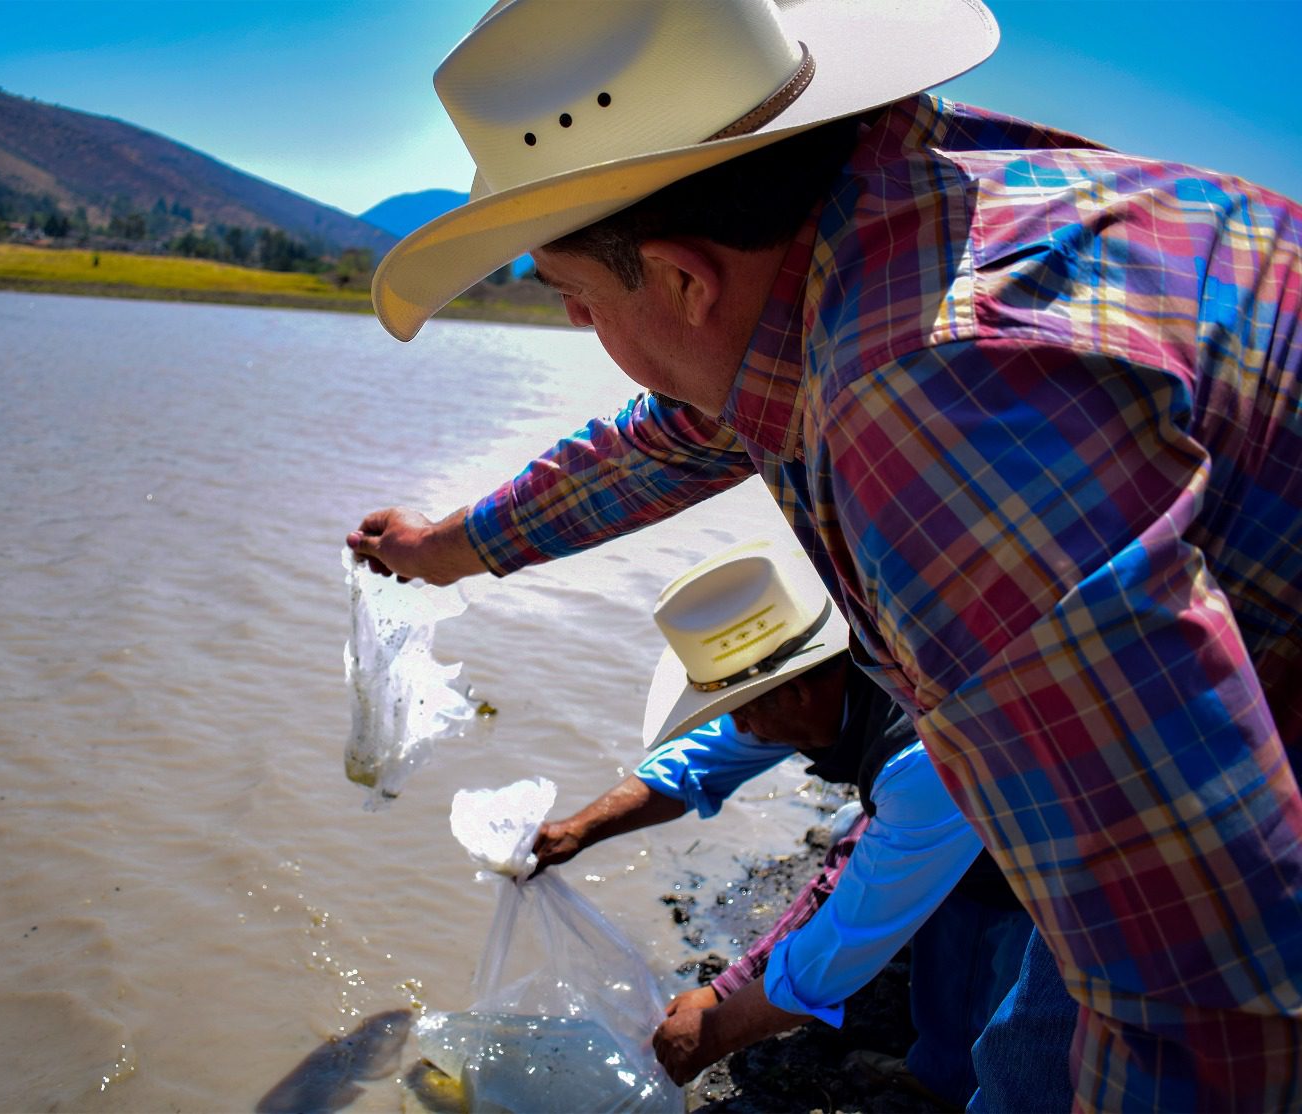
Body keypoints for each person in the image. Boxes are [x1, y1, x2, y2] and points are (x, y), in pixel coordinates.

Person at [347, 1, 1302, 1108]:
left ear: (682, 280)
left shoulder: (935, 410)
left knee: (1069, 1043)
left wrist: (739, 1000)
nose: (575, 327)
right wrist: (450, 549)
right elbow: (668, 436)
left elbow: (1198, 978)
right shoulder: (872, 209)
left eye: (573, 296)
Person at [531, 539, 1044, 1106]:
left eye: (744, 709)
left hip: (1078, 849)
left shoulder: (917, 759)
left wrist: (716, 1028)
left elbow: (848, 939)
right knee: (952, 899)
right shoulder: (845, 672)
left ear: (796, 691)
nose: (742, 728)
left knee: (1031, 1026)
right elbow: (703, 758)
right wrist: (579, 829)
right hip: (973, 822)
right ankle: (942, 1070)